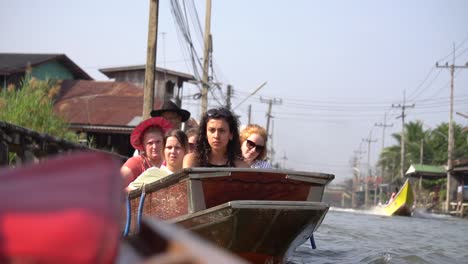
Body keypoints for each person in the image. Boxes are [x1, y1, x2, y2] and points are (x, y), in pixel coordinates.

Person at [183, 107, 248, 168]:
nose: (216, 136)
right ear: (205, 133)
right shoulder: (192, 161)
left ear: (231, 134)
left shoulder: (241, 166)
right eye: (212, 130)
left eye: (222, 131)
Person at [120, 117, 172, 184]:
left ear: (164, 142)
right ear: (143, 145)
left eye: (158, 142)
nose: (154, 146)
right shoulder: (136, 162)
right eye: (150, 143)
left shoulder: (170, 161)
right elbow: (116, 185)